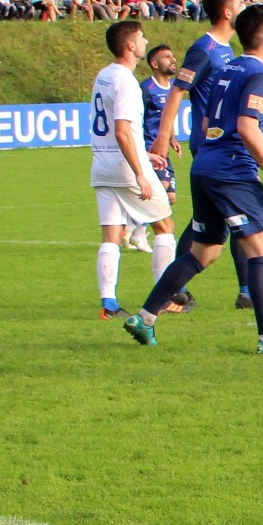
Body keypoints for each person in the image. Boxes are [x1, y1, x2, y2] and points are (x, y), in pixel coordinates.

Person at [125, 4, 263, 354]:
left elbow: (208, 119)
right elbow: (247, 126)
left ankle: (145, 318)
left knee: (203, 253)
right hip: (233, 170)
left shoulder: (226, 69)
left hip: (205, 165)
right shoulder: (259, 75)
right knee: (261, 252)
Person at [148, 0, 250, 311]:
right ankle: (245, 292)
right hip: (210, 145)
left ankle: (182, 288)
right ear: (227, 12)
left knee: (213, 219)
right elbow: (177, 91)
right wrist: (163, 137)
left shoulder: (227, 49)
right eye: (240, 2)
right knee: (238, 216)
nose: (244, 6)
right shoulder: (204, 50)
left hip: (224, 143)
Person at [90, 21, 175, 319]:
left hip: (102, 166)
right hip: (126, 169)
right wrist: (140, 170)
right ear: (130, 45)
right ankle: (165, 298)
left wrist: (144, 154)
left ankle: (108, 304)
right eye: (141, 38)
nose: (145, 41)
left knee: (111, 235)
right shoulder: (126, 82)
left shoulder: (104, 75)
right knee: (164, 227)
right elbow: (122, 130)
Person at [125, 43, 183, 264]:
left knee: (170, 197)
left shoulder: (174, 88)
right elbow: (136, 119)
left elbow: (168, 116)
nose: (173, 59)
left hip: (163, 148)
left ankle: (131, 224)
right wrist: (140, 148)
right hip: (149, 148)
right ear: (155, 64)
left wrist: (172, 138)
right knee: (164, 189)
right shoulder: (146, 89)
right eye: (167, 57)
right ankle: (138, 233)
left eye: (172, 55)